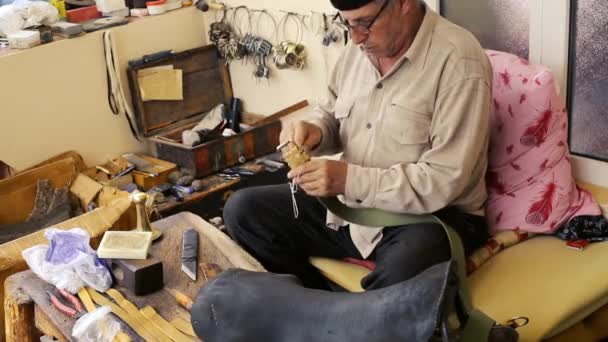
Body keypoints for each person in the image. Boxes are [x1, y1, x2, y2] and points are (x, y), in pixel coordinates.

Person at [224, 0, 492, 290]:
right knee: (243, 211)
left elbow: (444, 180)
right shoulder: (359, 47)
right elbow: (328, 112)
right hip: (353, 208)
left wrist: (349, 180)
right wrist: (314, 130)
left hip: (432, 217)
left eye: (364, 22)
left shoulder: (460, 61)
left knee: (406, 270)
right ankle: (319, 307)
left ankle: (353, 319)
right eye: (347, 23)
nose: (355, 37)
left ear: (404, 3)